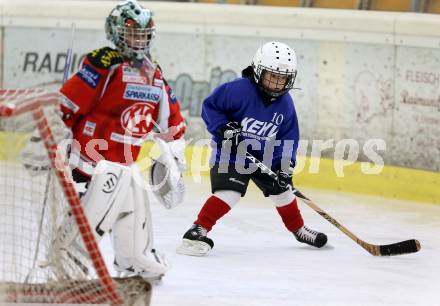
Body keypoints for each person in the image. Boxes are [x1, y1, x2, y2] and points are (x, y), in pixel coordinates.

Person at [58, 0, 186, 279]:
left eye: (143, 34)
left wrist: (174, 156)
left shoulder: (153, 73)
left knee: (133, 191)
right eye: (131, 33)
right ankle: (70, 252)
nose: (138, 40)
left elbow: (171, 124)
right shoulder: (105, 62)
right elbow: (67, 104)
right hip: (86, 161)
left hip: (122, 162)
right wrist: (58, 138)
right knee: (114, 178)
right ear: (116, 33)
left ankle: (134, 258)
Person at [177, 41, 327, 256]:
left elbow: (288, 138)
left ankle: (299, 230)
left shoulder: (285, 105)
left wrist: (285, 166)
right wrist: (225, 129)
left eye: (282, 78)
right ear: (258, 71)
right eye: (272, 76)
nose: (276, 83)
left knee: (283, 193)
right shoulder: (238, 90)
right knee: (230, 193)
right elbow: (211, 107)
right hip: (231, 153)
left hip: (264, 157)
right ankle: (197, 230)